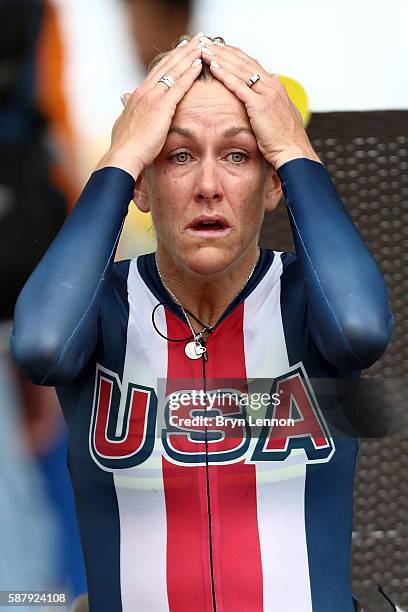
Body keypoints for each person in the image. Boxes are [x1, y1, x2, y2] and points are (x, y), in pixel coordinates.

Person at [10, 32, 394, 612]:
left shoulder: (312, 305)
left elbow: (362, 329)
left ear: (273, 185)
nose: (208, 187)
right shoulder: (99, 306)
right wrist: (120, 157)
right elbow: (41, 346)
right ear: (142, 181)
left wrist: (292, 146)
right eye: (177, 155)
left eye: (239, 155)